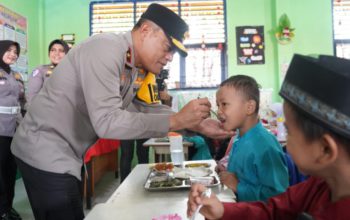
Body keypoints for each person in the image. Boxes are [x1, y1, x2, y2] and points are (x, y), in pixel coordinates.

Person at [11, 4, 232, 220]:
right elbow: (107, 122)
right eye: (167, 47)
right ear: (145, 31)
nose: (169, 57)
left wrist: (194, 124)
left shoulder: (134, 66)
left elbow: (141, 107)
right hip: (44, 148)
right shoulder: (105, 49)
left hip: (66, 153)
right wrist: (175, 120)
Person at [187, 54, 350, 219]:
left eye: (289, 132)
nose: (284, 142)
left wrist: (239, 189)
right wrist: (222, 210)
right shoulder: (320, 186)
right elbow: (273, 208)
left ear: (326, 149)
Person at [215, 75, 288, 202]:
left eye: (224, 104)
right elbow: (244, 176)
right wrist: (226, 172)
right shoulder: (239, 138)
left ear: (249, 107)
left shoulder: (265, 145)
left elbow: (278, 196)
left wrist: (238, 186)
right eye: (218, 105)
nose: (218, 111)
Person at [0, 40, 22, 220]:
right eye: (8, 50)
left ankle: (8, 206)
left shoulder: (15, 75)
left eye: (15, 51)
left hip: (14, 130)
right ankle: (1, 210)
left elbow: (21, 102)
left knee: (9, 171)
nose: (13, 54)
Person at [27, 39, 69, 103]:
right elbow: (32, 96)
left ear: (67, 54)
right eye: (53, 50)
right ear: (49, 53)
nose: (57, 53)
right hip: (46, 110)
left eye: (61, 51)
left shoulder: (72, 73)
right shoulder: (41, 70)